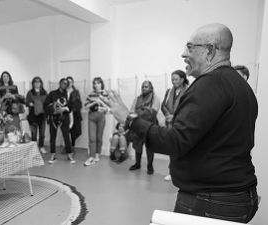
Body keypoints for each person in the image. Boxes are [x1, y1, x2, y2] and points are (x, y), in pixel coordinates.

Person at [102, 23, 258, 223]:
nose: (184, 54)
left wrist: (129, 119)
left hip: (210, 200)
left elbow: (174, 141)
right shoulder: (241, 87)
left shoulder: (209, 83)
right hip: (239, 196)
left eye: (190, 47)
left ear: (210, 50)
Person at [161, 70, 189, 181]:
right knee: (172, 149)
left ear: (182, 79)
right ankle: (172, 172)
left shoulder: (189, 91)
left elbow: (188, 108)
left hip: (183, 125)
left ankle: (184, 173)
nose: (173, 82)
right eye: (172, 79)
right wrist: (168, 115)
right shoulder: (169, 91)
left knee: (183, 150)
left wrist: (175, 116)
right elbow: (163, 106)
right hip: (170, 125)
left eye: (176, 79)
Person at [127, 81, 160, 175]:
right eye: (142, 87)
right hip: (138, 126)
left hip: (150, 126)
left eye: (146, 87)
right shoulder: (137, 99)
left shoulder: (155, 99)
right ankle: (137, 164)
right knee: (138, 145)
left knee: (150, 147)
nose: (144, 88)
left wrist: (139, 112)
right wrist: (144, 110)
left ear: (151, 88)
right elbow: (131, 112)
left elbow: (152, 113)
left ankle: (150, 166)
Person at [44, 78, 75, 164]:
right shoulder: (52, 93)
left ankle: (69, 154)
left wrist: (64, 108)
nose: (64, 85)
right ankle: (53, 154)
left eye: (66, 84)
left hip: (64, 118)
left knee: (66, 136)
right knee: (52, 137)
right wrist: (54, 108)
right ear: (59, 83)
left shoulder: (68, 94)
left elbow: (72, 105)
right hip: (53, 118)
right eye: (63, 83)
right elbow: (46, 104)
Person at [84, 77, 109, 166]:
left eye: (98, 83)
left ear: (101, 84)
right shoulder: (91, 94)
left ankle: (97, 154)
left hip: (101, 117)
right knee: (92, 138)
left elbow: (108, 108)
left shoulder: (106, 94)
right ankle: (91, 156)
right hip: (92, 117)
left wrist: (101, 105)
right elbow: (86, 107)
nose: (96, 85)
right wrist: (95, 102)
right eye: (94, 83)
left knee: (99, 137)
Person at [26, 76, 47, 154]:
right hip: (33, 116)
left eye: (38, 82)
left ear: (41, 83)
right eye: (35, 82)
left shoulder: (44, 92)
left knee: (42, 133)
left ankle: (41, 146)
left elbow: (47, 102)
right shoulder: (30, 92)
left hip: (42, 115)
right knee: (34, 133)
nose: (37, 83)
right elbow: (26, 102)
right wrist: (29, 104)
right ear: (33, 83)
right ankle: (34, 148)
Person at [66, 76, 83, 151]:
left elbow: (79, 103)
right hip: (65, 113)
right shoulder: (63, 91)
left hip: (74, 114)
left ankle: (72, 146)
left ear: (73, 83)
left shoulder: (76, 92)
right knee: (66, 130)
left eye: (70, 82)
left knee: (73, 131)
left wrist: (73, 108)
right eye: (67, 82)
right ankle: (67, 146)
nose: (69, 83)